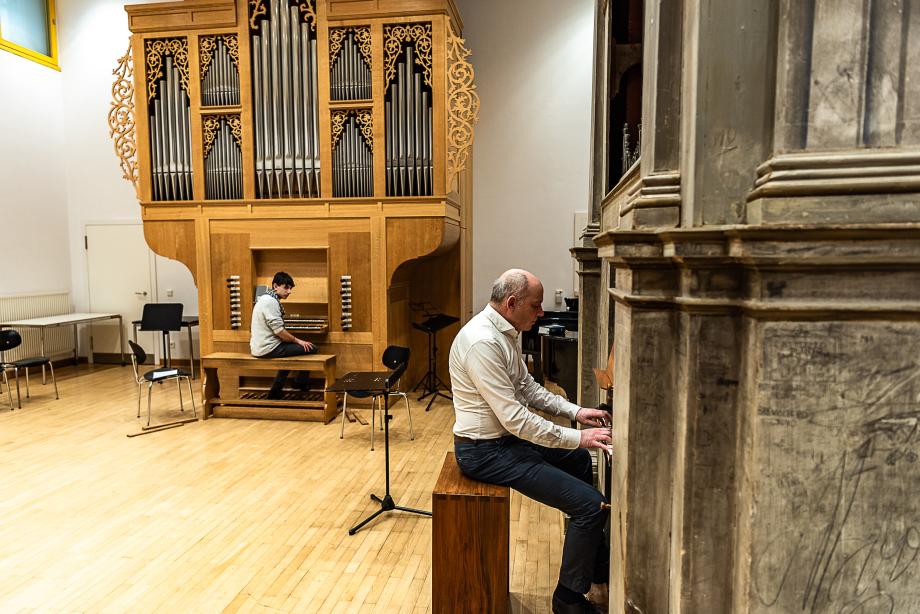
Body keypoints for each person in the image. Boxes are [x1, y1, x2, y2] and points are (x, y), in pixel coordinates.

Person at [449, 268, 612, 614]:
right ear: (511, 303)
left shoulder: (506, 330)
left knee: (580, 463)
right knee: (589, 504)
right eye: (536, 306)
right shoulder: (483, 342)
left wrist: (577, 410)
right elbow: (516, 419)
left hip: (503, 442)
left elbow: (529, 388)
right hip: (484, 452)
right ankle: (567, 599)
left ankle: (592, 560)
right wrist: (577, 437)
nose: (541, 313)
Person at [251, 271, 316, 399]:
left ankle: (275, 392)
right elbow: (279, 331)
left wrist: (292, 340)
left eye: (290, 288)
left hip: (261, 346)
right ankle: (299, 382)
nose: (289, 291)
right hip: (267, 348)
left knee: (290, 353)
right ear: (275, 286)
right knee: (311, 348)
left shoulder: (265, 298)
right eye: (286, 287)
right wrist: (298, 341)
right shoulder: (271, 302)